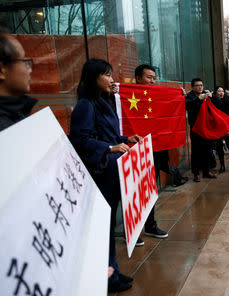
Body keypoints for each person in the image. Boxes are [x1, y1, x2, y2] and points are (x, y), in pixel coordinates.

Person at [69, 59, 139, 293]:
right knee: (102, 229)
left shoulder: (101, 101)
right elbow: (80, 141)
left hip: (112, 172)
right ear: (93, 77)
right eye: (107, 75)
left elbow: (107, 133)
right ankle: (107, 277)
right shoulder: (85, 105)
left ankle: (113, 272)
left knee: (107, 228)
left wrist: (125, 139)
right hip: (101, 174)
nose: (112, 79)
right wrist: (110, 148)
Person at [131, 64, 169, 246]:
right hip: (132, 151)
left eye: (154, 77)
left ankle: (150, 225)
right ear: (138, 78)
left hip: (153, 151)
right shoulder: (124, 96)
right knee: (133, 191)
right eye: (148, 77)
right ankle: (133, 230)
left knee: (150, 190)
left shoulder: (156, 96)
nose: (152, 81)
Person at [0, 29, 36, 132]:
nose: (29, 69)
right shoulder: (5, 132)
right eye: (24, 61)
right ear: (1, 70)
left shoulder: (17, 113)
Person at [185, 78, 217, 182]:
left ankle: (206, 171)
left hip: (206, 127)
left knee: (207, 150)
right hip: (196, 128)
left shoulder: (205, 93)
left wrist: (213, 96)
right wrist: (199, 98)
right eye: (198, 85)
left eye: (201, 85)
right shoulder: (189, 96)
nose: (200, 87)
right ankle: (196, 173)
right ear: (192, 87)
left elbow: (217, 104)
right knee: (196, 151)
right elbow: (188, 105)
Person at [211, 86, 229, 174]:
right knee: (219, 148)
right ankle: (222, 165)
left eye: (222, 91)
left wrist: (228, 130)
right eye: (218, 91)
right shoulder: (213, 104)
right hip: (218, 129)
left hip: (228, 129)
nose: (221, 93)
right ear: (215, 93)